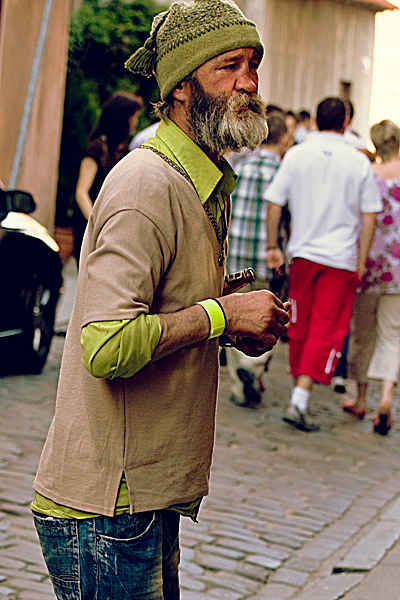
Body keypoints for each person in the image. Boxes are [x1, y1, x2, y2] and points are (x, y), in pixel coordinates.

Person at [31, 1, 290, 598]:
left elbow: (162, 309)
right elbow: (104, 343)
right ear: (180, 86)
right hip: (109, 510)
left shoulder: (197, 181)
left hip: (141, 500)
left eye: (254, 65)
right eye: (229, 66)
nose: (249, 82)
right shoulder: (148, 184)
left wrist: (230, 319)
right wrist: (221, 315)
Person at [266, 97, 382, 432]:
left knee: (299, 322)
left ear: (315, 120)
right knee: (327, 326)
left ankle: (297, 389)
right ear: (345, 122)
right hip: (341, 258)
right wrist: (361, 258)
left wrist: (273, 245)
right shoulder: (358, 161)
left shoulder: (298, 155)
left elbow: (275, 201)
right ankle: (300, 396)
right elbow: (370, 214)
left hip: (302, 253)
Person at [226, 114, 290, 408]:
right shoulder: (282, 173)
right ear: (284, 139)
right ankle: (252, 367)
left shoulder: (242, 167)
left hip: (236, 256)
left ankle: (240, 386)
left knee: (233, 317)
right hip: (266, 258)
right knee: (265, 317)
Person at [344, 119, 400, 435]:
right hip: (399, 270)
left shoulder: (370, 176)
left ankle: (361, 397)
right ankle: (387, 397)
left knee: (363, 333)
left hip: (368, 265)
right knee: (392, 335)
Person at [74, 91, 142, 264]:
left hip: (112, 229)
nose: (135, 122)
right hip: (93, 229)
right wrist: (97, 225)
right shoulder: (98, 148)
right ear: (121, 117)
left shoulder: (123, 150)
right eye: (132, 117)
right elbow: (82, 192)